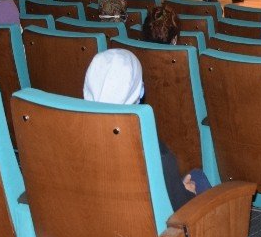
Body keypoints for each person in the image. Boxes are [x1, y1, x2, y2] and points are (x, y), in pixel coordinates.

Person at [83, 49, 210, 210]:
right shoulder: (154, 151)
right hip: (163, 231)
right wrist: (186, 193)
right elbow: (179, 211)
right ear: (138, 91)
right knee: (198, 178)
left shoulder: (68, 138)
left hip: (98, 220)